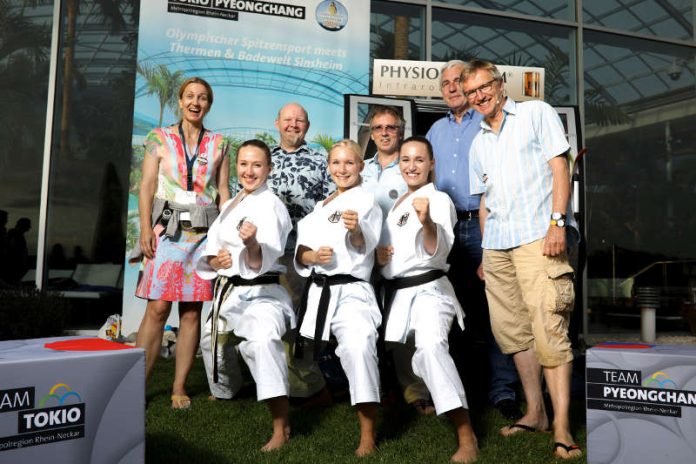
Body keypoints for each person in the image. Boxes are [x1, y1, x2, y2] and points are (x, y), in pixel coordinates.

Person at [463, 59, 581, 460]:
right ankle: (536, 413)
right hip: (497, 247)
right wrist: (484, 250)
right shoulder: (477, 143)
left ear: (499, 85)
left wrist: (557, 223)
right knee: (513, 334)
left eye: (484, 87)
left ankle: (563, 427)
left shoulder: (535, 113)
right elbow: (483, 203)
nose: (478, 96)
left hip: (538, 237)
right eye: (471, 92)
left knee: (550, 328)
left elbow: (560, 168)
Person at [426, 59, 521, 420]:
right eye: (446, 83)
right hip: (445, 228)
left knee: (497, 311)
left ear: (470, 87)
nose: (452, 88)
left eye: (458, 82)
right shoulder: (435, 130)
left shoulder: (489, 124)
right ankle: (459, 389)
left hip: (486, 225)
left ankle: (502, 390)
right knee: (452, 313)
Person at [377, 136, 478, 463]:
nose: (411, 166)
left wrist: (427, 224)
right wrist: (381, 257)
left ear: (431, 164)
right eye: (405, 160)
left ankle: (467, 436)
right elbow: (393, 257)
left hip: (431, 291)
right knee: (413, 358)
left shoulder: (437, 200)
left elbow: (438, 248)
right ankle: (418, 402)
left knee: (432, 349)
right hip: (401, 293)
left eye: (419, 160)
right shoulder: (396, 205)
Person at [132, 77, 230, 410]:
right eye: (190, 96)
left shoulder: (220, 143)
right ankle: (138, 386)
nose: (195, 102)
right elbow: (146, 185)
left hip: (203, 236)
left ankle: (178, 387)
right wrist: (145, 227)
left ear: (209, 104)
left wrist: (226, 238)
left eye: (203, 97)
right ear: (180, 100)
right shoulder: (157, 137)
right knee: (158, 308)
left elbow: (225, 192)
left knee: (191, 313)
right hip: (167, 231)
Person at [196, 140, 293, 451]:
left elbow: (263, 258)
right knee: (211, 342)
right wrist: (215, 261)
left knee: (263, 342)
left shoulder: (272, 206)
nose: (249, 171)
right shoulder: (232, 203)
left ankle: (281, 425)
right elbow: (212, 248)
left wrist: (252, 246)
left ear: (268, 169)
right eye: (243, 164)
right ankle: (228, 389)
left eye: (257, 165)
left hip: (264, 292)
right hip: (230, 290)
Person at [294, 139, 382, 456]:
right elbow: (301, 252)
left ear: (360, 166)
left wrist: (355, 229)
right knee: (311, 353)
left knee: (359, 349)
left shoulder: (367, 202)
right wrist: (312, 256)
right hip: (320, 289)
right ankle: (321, 395)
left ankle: (367, 435)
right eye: (336, 163)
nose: (342, 169)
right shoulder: (321, 206)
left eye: (349, 163)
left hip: (353, 290)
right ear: (328, 167)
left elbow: (365, 243)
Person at [361, 106, 432, 414]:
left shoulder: (409, 169)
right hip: (362, 259)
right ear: (372, 133)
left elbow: (420, 216)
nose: (385, 132)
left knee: (404, 328)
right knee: (368, 326)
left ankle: (414, 391)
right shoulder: (361, 169)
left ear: (400, 132)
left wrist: (390, 248)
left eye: (391, 127)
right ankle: (374, 388)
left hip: (398, 258)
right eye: (379, 127)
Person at [267, 102, 335, 401]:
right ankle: (273, 378)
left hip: (300, 253)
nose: (293, 124)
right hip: (264, 252)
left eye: (300, 120)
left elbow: (331, 205)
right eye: (288, 119)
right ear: (277, 123)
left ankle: (302, 384)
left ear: (307, 125)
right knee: (271, 318)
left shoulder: (321, 161)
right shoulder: (261, 159)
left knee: (298, 318)